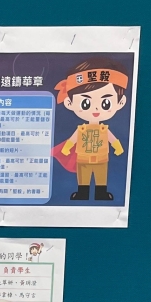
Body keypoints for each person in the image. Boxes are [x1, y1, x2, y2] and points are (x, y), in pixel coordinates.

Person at [53, 63, 129, 201]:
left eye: (105, 103)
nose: (96, 109)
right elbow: (72, 140)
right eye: (86, 103)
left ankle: (101, 193)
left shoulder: (104, 129)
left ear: (120, 102)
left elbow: (112, 139)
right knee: (83, 177)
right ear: (69, 103)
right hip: (83, 158)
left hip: (101, 158)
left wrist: (118, 147)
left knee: (101, 176)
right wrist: (66, 148)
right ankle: (83, 193)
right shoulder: (81, 129)